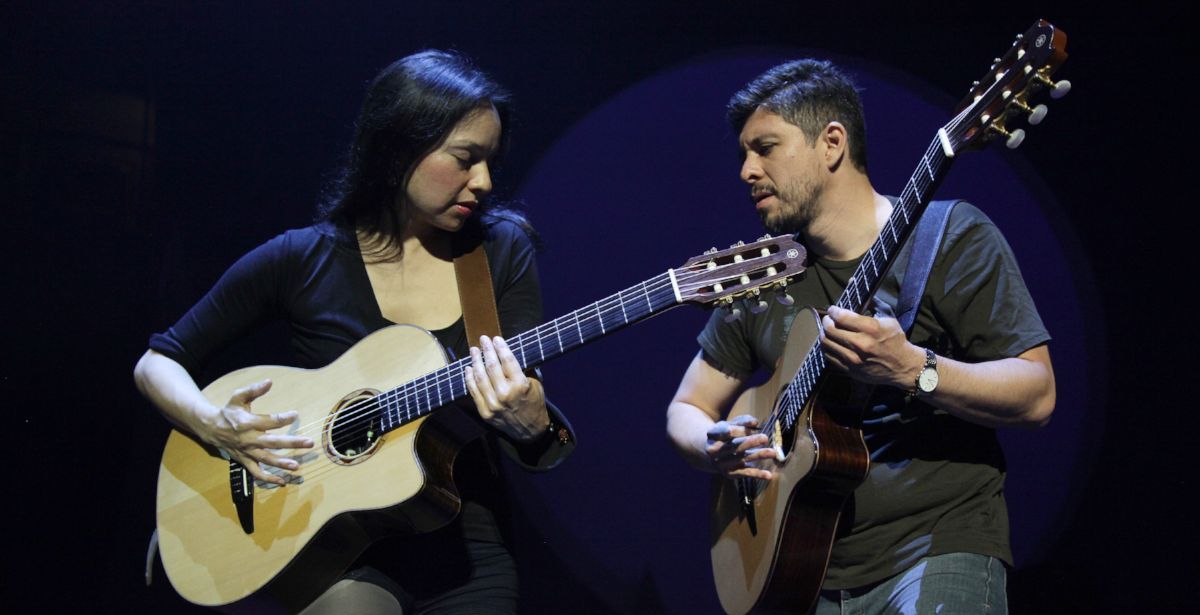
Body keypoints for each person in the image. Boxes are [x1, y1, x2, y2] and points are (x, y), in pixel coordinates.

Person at [134, 49, 573, 614]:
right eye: (466, 158)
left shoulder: (498, 253)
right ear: (399, 147)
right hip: (331, 552)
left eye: (491, 161)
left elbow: (541, 436)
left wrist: (535, 423)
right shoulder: (302, 258)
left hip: (465, 551)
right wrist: (213, 424)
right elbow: (158, 361)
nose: (484, 181)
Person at [665, 59, 1056, 613]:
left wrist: (913, 368)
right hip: (806, 570)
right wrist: (714, 447)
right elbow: (687, 407)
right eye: (743, 155)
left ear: (831, 143)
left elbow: (1037, 393)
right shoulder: (763, 276)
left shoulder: (952, 237)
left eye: (766, 148)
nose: (746, 171)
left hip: (939, 547)